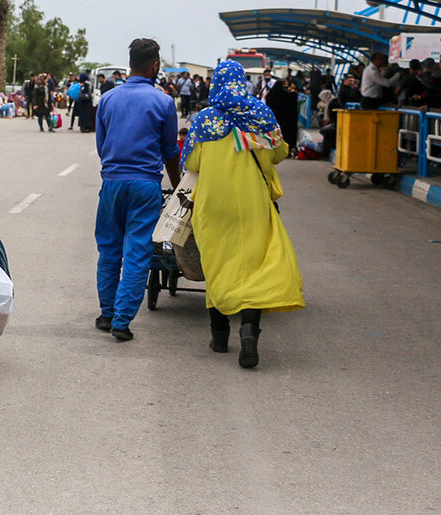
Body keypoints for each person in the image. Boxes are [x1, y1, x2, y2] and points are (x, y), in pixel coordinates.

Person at [181, 60, 304, 369]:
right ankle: (249, 330)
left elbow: (191, 163)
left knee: (218, 263)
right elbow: (279, 152)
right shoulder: (260, 115)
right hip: (253, 203)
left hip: (213, 204)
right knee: (252, 265)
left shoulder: (205, 119)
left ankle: (219, 335)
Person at [94, 38, 181, 341]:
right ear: (155, 65)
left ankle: (106, 313)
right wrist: (178, 182)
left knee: (108, 251)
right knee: (136, 253)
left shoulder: (108, 99)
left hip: (113, 182)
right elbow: (170, 150)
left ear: (130, 63)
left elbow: (102, 146)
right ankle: (121, 321)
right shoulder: (164, 102)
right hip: (146, 186)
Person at [265, 79, 300, 155]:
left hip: (273, 120)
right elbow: (292, 102)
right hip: (286, 121)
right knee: (286, 135)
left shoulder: (270, 95)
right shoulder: (286, 95)